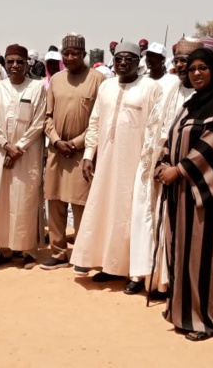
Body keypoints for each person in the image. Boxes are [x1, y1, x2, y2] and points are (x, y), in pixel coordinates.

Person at [155, 47, 213, 341]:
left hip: (206, 196)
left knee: (204, 256)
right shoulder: (191, 103)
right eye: (192, 69)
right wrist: (163, 162)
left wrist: (179, 170)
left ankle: (207, 319)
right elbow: (173, 136)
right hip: (181, 195)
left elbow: (212, 146)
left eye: (203, 67)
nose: (196, 73)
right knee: (181, 252)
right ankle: (182, 310)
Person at [70, 41, 163, 282]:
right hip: (106, 162)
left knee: (131, 215)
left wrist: (148, 163)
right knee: (105, 210)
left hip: (136, 164)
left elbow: (156, 129)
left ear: (138, 62)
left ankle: (134, 273)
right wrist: (89, 154)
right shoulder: (107, 86)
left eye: (128, 59)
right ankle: (108, 265)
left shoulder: (151, 88)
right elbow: (94, 122)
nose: (122, 63)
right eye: (119, 58)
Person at [127, 37, 202, 295]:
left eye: (187, 61)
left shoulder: (211, 93)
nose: (181, 66)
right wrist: (156, 161)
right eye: (178, 60)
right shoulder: (170, 88)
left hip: (186, 173)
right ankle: (145, 274)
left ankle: (172, 282)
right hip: (156, 166)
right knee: (146, 218)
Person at [40, 33, 106, 271]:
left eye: (74, 53)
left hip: (82, 153)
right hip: (57, 151)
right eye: (66, 53)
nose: (69, 57)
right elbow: (47, 116)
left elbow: (100, 119)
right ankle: (58, 253)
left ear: (84, 54)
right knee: (55, 201)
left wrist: (77, 143)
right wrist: (57, 141)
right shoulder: (56, 80)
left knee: (81, 205)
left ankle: (82, 254)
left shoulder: (98, 80)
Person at [0, 44, 46, 269]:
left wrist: (18, 148)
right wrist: (6, 145)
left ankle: (28, 250)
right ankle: (4, 249)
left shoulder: (37, 87)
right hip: (3, 153)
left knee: (26, 200)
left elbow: (39, 122)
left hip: (28, 154)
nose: (15, 66)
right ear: (5, 63)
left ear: (27, 63)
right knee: (3, 201)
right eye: (10, 61)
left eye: (20, 61)